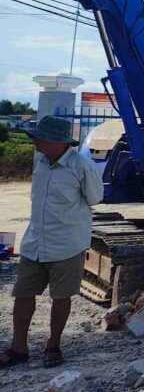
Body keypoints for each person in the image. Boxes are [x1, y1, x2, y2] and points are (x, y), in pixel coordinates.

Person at [1, 116, 102, 368]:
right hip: (35, 242)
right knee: (23, 294)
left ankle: (53, 345)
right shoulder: (41, 162)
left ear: (59, 142)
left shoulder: (82, 166)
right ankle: (18, 347)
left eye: (40, 137)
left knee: (61, 296)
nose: (35, 141)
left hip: (67, 244)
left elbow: (94, 198)